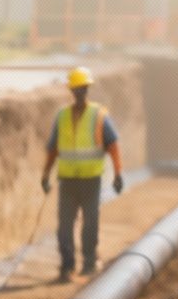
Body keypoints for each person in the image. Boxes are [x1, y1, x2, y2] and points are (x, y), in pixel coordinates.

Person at [40, 66, 126, 282]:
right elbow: (53, 148)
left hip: (91, 180)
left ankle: (89, 261)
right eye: (76, 89)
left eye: (82, 89)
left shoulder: (98, 116)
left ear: (87, 89)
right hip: (68, 180)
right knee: (64, 226)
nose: (79, 93)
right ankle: (67, 267)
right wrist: (45, 174)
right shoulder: (63, 116)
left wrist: (118, 173)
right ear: (72, 90)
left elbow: (113, 144)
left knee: (90, 222)